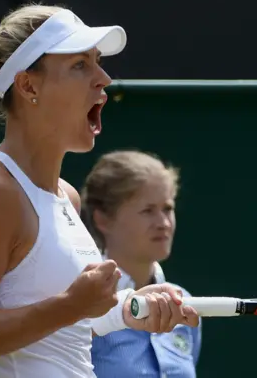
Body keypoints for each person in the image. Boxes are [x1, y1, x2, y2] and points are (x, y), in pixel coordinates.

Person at [0, 4, 199, 378]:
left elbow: (67, 326)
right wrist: (71, 305)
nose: (103, 78)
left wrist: (126, 309)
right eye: (80, 65)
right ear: (28, 85)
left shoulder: (66, 196)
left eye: (98, 62)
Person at [80, 150, 201, 378]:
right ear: (103, 219)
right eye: (147, 211)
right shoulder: (85, 300)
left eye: (168, 209)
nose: (163, 223)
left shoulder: (184, 302)